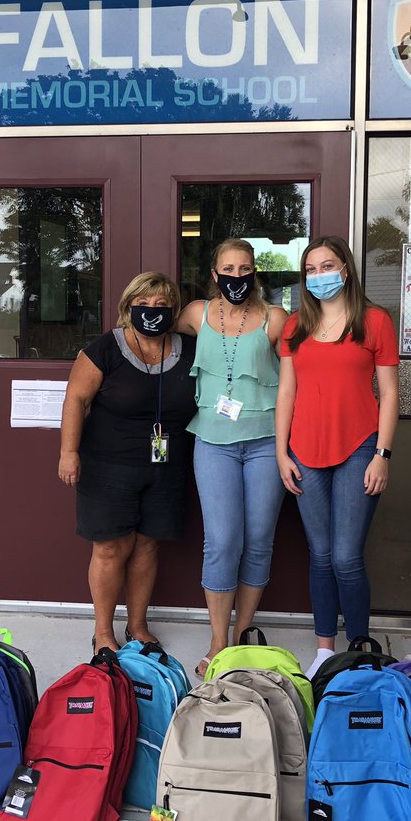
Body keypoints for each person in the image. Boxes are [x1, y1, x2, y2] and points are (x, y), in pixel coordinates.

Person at [275, 235, 400, 678]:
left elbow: (388, 393)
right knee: (321, 555)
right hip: (304, 451)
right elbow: (286, 391)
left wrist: (382, 454)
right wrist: (281, 453)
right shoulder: (295, 326)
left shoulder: (374, 321)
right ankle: (325, 651)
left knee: (347, 557)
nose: (318, 275)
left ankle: (360, 647)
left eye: (326, 266)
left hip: (359, 448)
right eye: (310, 269)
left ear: (345, 269)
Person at [59, 272, 197, 653]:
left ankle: (138, 626)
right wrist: (68, 452)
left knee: (147, 546)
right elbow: (76, 399)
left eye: (161, 305)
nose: (151, 311)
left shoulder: (189, 347)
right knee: (109, 548)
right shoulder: (105, 348)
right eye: (143, 304)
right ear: (127, 307)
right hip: (108, 466)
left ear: (174, 310)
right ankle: (103, 631)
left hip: (166, 467)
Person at [176, 238, 289, 678]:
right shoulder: (195, 314)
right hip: (213, 441)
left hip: (265, 441)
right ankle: (218, 641)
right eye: (228, 268)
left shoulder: (275, 318)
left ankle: (242, 634)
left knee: (258, 539)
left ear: (255, 272)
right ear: (214, 272)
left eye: (244, 269)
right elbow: (150, 330)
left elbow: (303, 368)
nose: (236, 277)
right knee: (222, 540)